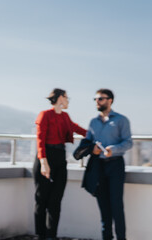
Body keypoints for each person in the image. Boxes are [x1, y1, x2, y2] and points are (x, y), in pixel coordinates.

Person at [33, 88, 87, 240]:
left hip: (60, 159)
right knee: (41, 199)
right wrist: (44, 162)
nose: (68, 100)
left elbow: (78, 129)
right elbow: (40, 140)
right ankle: (40, 235)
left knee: (55, 200)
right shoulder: (45, 114)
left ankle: (52, 236)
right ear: (61, 98)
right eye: (67, 97)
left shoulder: (65, 116)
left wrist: (97, 136)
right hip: (44, 159)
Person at [84, 88, 132, 240]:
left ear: (110, 100)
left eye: (101, 99)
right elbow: (87, 142)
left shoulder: (121, 120)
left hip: (115, 165)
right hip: (98, 166)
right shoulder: (93, 122)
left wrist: (114, 149)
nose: (97, 102)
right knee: (103, 206)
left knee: (117, 205)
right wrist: (94, 149)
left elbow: (128, 142)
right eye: (96, 99)